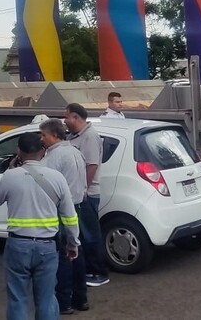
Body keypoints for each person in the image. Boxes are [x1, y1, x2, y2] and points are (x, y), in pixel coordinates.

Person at [0, 132, 80, 320]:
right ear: (43, 151)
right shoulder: (57, 178)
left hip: (17, 246)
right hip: (47, 248)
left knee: (17, 299)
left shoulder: (10, 176)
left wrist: (9, 171)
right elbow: (70, 217)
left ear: (18, 152)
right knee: (46, 298)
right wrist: (72, 244)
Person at [39, 118, 89, 314]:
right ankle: (81, 298)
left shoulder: (53, 158)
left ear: (55, 135)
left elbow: (44, 184)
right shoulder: (75, 152)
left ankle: (64, 301)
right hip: (78, 206)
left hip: (61, 211)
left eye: (43, 135)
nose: (41, 139)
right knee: (78, 252)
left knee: (64, 256)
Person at [65, 103, 110, 287]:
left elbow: (91, 166)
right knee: (82, 234)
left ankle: (99, 272)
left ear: (76, 117)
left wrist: (83, 190)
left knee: (91, 234)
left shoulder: (89, 137)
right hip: (80, 194)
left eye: (66, 116)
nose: (65, 120)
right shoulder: (75, 136)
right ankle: (88, 270)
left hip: (87, 195)